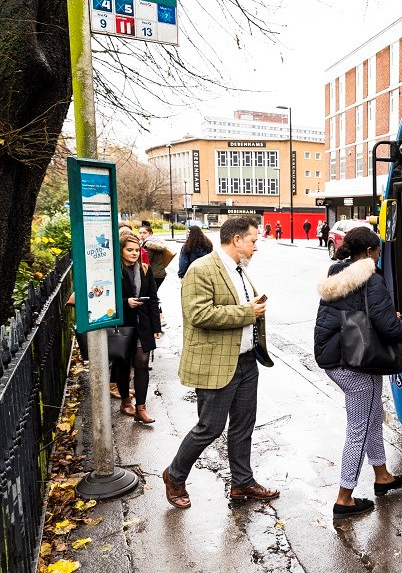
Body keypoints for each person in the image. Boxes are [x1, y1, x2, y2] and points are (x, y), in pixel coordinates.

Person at [162, 216, 278, 509]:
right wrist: (247, 312)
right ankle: (175, 475)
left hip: (246, 361)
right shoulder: (201, 269)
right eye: (253, 241)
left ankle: (242, 483)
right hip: (216, 364)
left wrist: (253, 312)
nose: (256, 247)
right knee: (210, 427)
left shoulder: (239, 270)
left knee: (243, 426)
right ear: (237, 240)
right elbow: (199, 315)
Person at [314, 227, 402, 517]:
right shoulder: (370, 279)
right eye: (378, 250)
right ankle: (344, 498)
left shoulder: (337, 272)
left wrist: (390, 316)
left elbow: (359, 313)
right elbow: (389, 328)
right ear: (368, 253)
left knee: (372, 417)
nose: (380, 256)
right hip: (353, 362)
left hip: (343, 355)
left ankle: (382, 476)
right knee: (359, 429)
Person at [112, 234, 162, 423]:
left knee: (142, 363)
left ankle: (141, 408)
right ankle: (126, 401)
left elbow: (153, 299)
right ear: (121, 250)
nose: (134, 253)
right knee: (123, 365)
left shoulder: (145, 269)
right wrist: (126, 302)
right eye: (129, 250)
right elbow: (106, 297)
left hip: (143, 324)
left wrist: (156, 326)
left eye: (136, 250)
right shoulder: (114, 271)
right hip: (123, 324)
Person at [139, 222, 170, 291]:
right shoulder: (155, 241)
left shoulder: (149, 245)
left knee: (151, 295)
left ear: (150, 234)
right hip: (158, 274)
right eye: (140, 233)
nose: (142, 235)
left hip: (154, 274)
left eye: (144, 233)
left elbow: (145, 261)